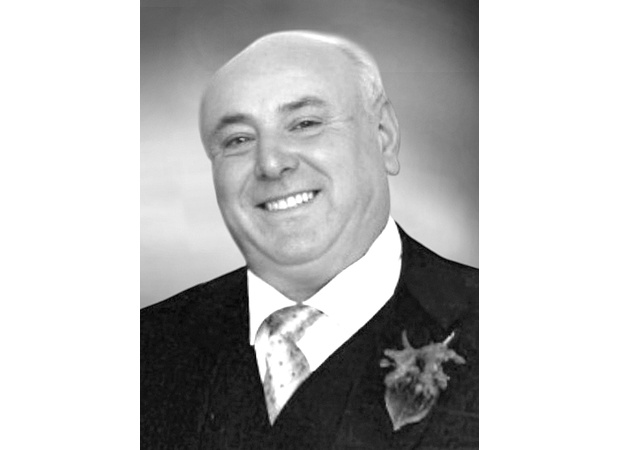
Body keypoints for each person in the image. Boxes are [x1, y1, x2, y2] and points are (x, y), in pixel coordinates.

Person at [141, 30, 478, 449]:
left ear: (384, 135)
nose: (270, 163)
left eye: (305, 124)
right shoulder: (146, 348)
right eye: (238, 140)